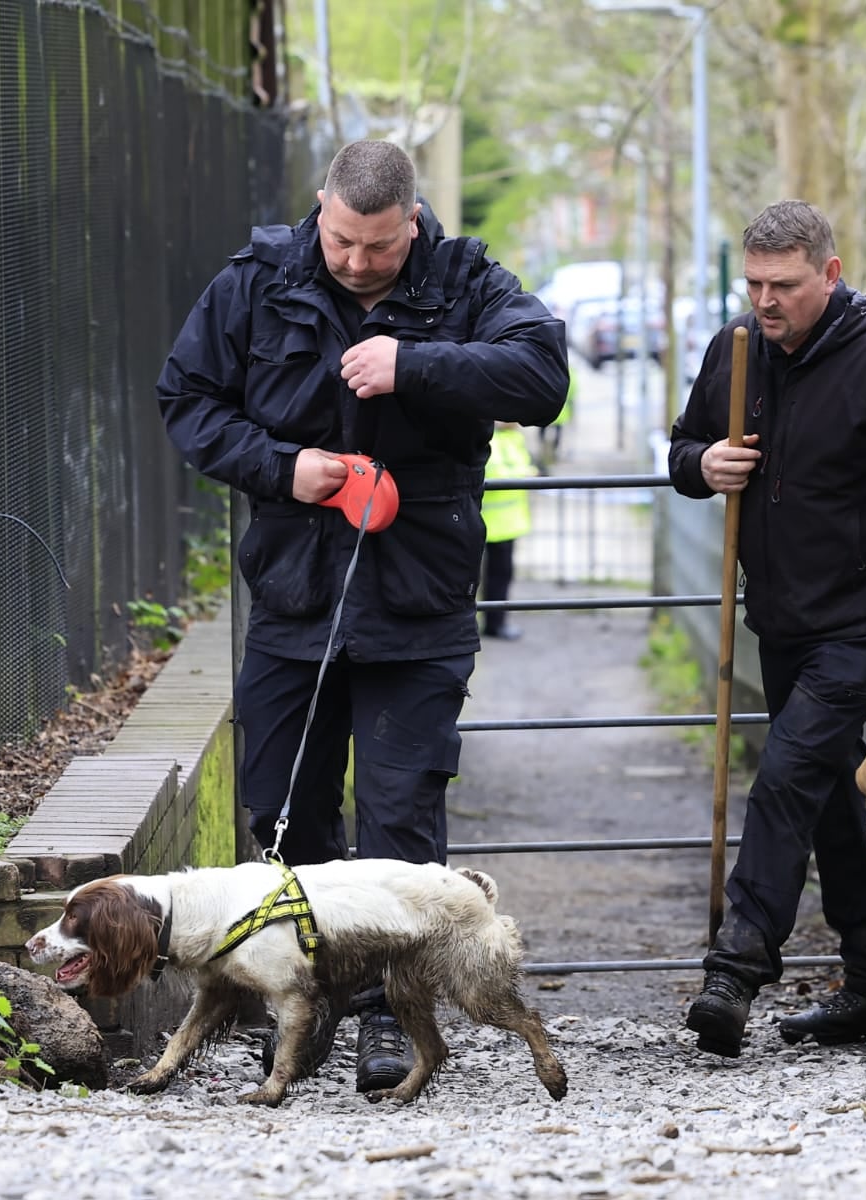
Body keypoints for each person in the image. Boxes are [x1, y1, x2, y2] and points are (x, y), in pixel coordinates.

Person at [156, 140, 568, 1091]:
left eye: (379, 247)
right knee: (282, 810)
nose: (356, 263)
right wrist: (281, 466)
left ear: (411, 224)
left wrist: (415, 364)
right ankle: (303, 1007)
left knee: (399, 822)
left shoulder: (466, 278)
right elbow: (187, 400)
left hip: (419, 599)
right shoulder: (257, 281)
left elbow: (542, 379)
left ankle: (392, 1018)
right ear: (321, 211)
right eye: (342, 241)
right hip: (294, 594)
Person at [667, 200, 866, 1058]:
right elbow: (685, 450)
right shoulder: (735, 351)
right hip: (782, 614)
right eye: (754, 284)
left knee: (790, 770)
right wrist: (702, 465)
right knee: (840, 789)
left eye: (784, 286)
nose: (766, 301)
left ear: (829, 275)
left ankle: (737, 965)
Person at [481, 421, 535, 640]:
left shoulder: (513, 439)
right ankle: (492, 624)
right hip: (490, 521)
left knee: (501, 575)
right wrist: (526, 474)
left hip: (506, 522)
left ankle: (495, 622)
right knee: (489, 576)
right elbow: (494, 473)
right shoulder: (489, 439)